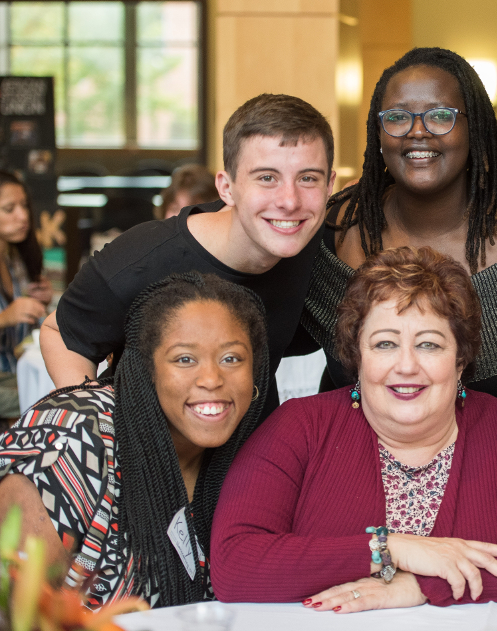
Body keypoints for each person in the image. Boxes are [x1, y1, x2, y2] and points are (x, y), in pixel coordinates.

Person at [212, 246, 497, 611]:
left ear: (461, 358)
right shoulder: (299, 427)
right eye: (384, 344)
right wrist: (388, 550)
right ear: (356, 355)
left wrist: (421, 586)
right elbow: (234, 563)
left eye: (429, 345)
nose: (406, 366)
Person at [296, 47, 497, 408]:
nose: (417, 132)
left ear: (476, 127)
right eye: (396, 117)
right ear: (378, 131)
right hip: (358, 457)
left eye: (441, 116)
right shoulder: (334, 230)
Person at [41, 93, 334, 422]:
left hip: (248, 454)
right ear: (226, 188)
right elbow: (62, 334)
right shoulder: (146, 256)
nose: (289, 201)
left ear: (329, 186)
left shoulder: (312, 240)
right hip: (150, 455)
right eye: (267, 178)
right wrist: (100, 431)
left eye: (308, 178)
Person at [0, 272, 268, 608]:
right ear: (146, 369)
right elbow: (14, 613)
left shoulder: (251, 456)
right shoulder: (74, 435)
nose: (212, 379)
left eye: (231, 358)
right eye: (185, 359)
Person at [0, 171, 51, 420]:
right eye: (9, 209)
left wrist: (43, 301)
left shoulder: (15, 258)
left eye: (24, 206)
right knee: (46, 396)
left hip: (16, 368)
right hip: (9, 376)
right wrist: (4, 318)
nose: (23, 216)